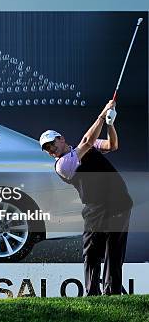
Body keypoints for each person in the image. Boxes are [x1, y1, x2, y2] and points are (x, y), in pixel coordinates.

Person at [39, 100, 133, 296]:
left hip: (119, 203)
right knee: (91, 252)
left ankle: (113, 293)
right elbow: (88, 141)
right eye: (47, 149)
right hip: (95, 208)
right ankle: (92, 293)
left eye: (51, 144)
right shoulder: (62, 165)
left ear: (61, 139)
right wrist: (103, 112)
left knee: (114, 252)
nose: (50, 150)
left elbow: (112, 145)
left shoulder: (84, 148)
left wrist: (109, 123)